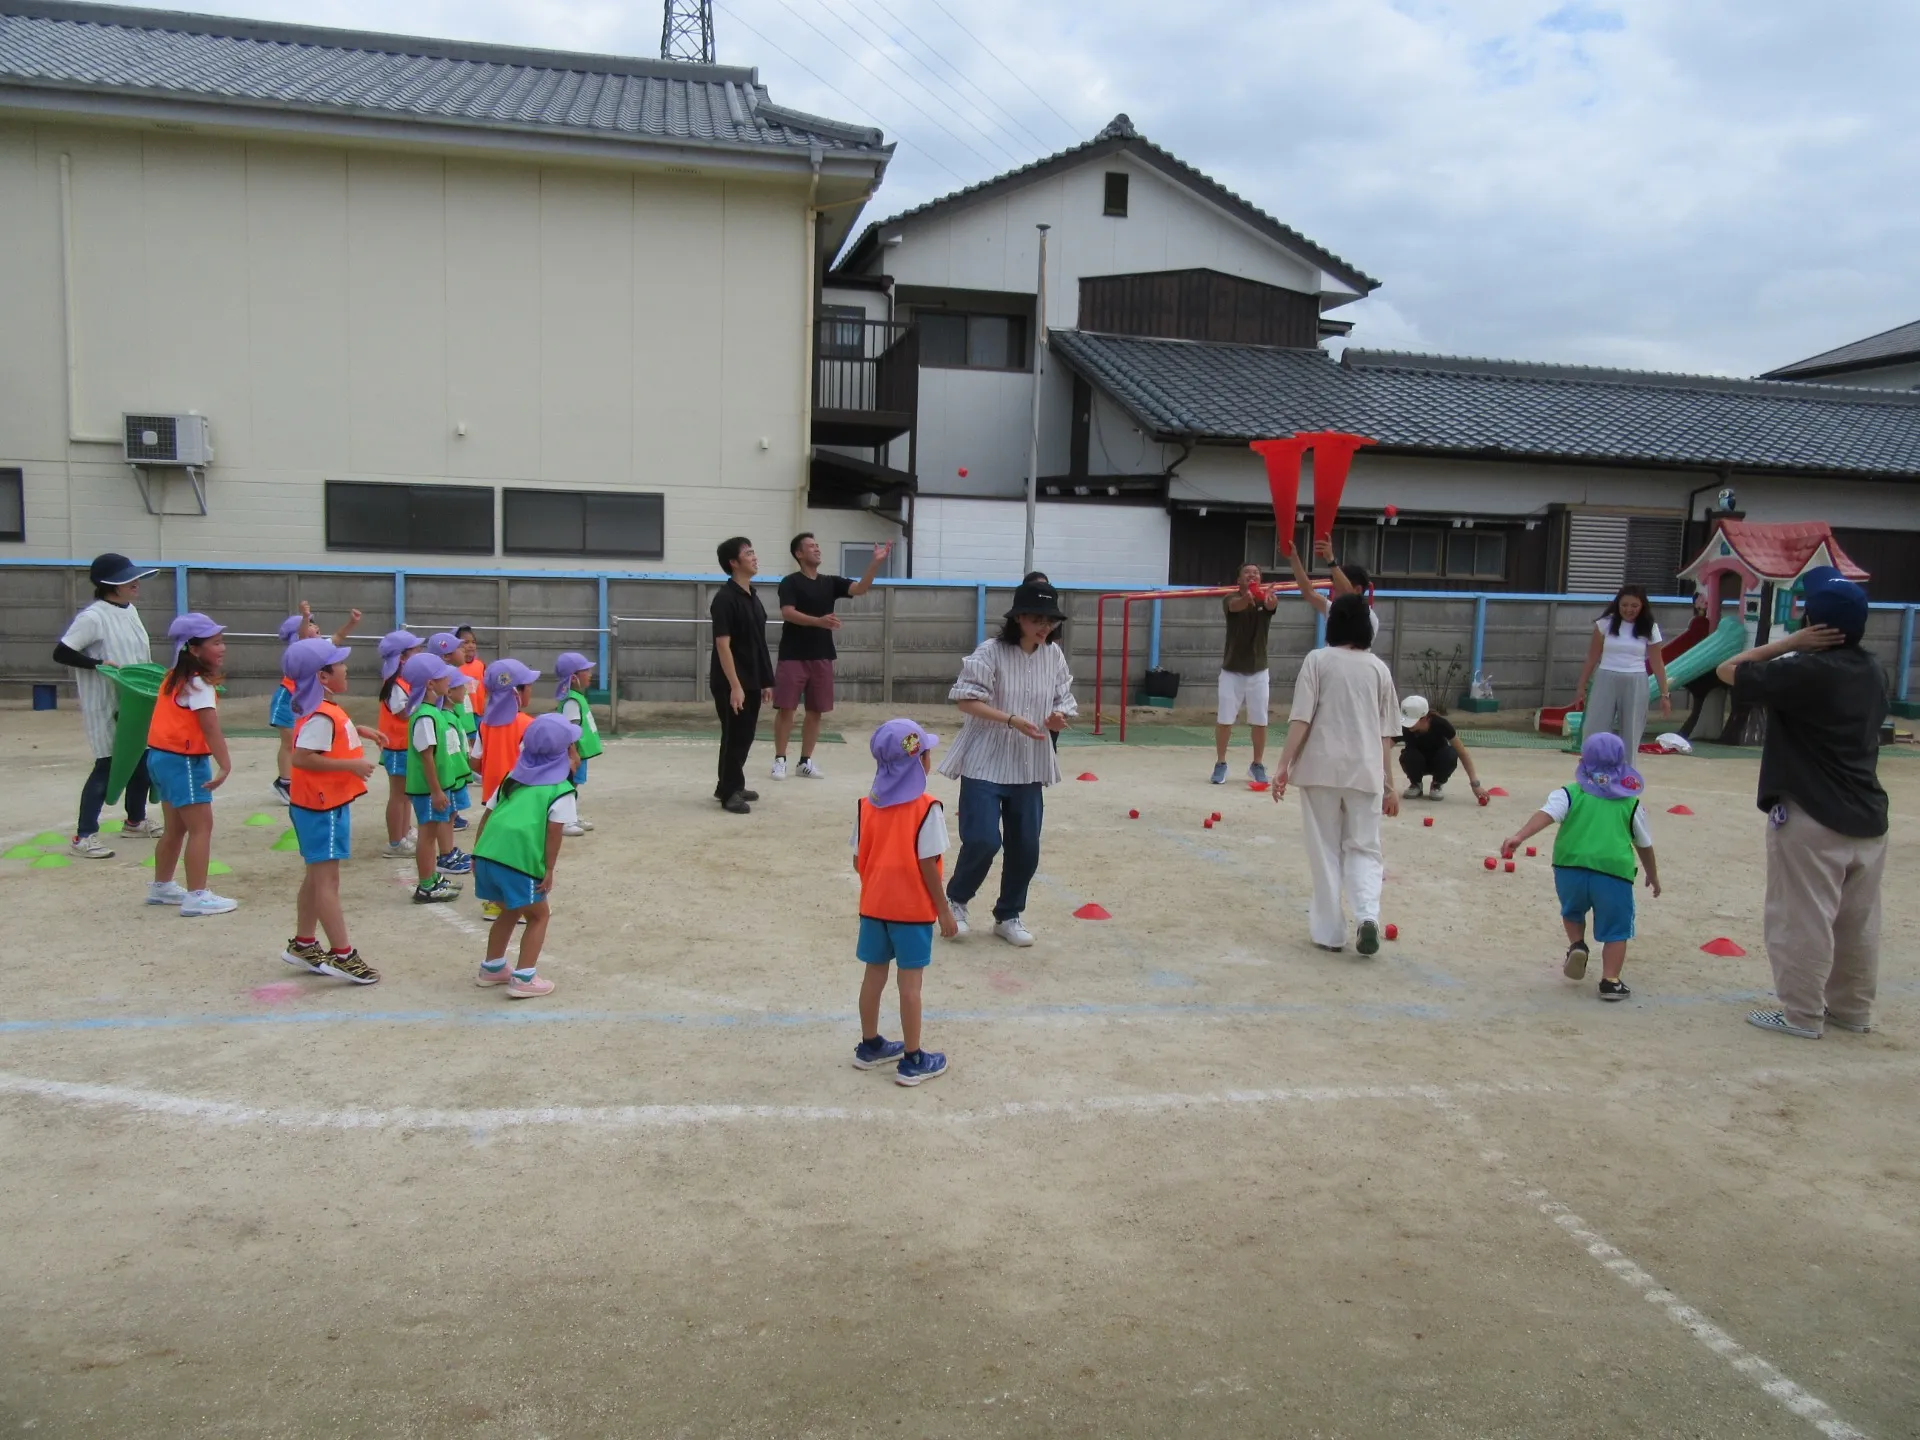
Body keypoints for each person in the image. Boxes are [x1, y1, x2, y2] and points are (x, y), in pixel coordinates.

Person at [1716, 568, 1888, 1039]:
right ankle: (1852, 1013)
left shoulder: (1806, 669)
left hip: (1812, 815)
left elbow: (1728, 669)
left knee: (1801, 918)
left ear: (1815, 622)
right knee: (1857, 925)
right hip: (1868, 817)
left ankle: (1802, 1015)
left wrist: (1788, 643)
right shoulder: (1874, 669)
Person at [939, 577, 1076, 948]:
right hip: (985, 759)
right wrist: (1011, 719)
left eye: (1051, 620)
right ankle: (956, 901)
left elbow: (1064, 698)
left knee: (1026, 846)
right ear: (1018, 618)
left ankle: (1009, 914)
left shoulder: (1053, 655)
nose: (1045, 626)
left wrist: (1057, 717)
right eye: (1037, 618)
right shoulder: (990, 652)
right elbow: (965, 700)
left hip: (1029, 763)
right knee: (983, 839)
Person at [1270, 593, 1400, 954]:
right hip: (1366, 771)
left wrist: (1283, 766)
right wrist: (1390, 785)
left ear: (1333, 624)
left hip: (1318, 768)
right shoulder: (1379, 669)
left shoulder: (1317, 660)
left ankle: (1329, 933)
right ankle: (1368, 916)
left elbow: (1301, 717)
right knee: (1365, 849)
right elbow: (1385, 734)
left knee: (1324, 850)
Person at [1499, 731, 1661, 1002]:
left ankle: (1577, 944)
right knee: (1616, 929)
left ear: (1583, 761)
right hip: (1613, 873)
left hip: (1569, 867)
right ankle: (1610, 981)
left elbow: (1546, 815)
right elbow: (1644, 843)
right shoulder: (1631, 804)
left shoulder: (1570, 793)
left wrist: (1519, 836)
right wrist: (1652, 874)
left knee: (1572, 911)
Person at [852, 718, 958, 1085]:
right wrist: (944, 910)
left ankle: (869, 1045)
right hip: (911, 911)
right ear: (919, 762)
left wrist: (878, 886)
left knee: (873, 976)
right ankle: (913, 1059)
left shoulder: (867, 806)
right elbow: (928, 864)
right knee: (910, 986)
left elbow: (857, 859)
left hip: (874, 906)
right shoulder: (927, 808)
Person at [279, 636, 380, 985]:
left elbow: (325, 736)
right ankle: (342, 954)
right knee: (327, 882)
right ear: (322, 676)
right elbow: (303, 757)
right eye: (339, 663)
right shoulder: (320, 713)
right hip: (322, 805)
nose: (346, 667)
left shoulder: (321, 707)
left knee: (316, 876)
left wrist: (359, 730)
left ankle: (304, 943)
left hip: (317, 803)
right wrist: (350, 767)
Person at [53, 552, 162, 858]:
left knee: (141, 759)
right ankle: (84, 835)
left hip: (135, 701)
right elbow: (62, 652)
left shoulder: (129, 611)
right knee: (108, 764)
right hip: (106, 703)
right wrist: (98, 664)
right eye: (130, 579)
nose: (137, 583)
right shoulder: (94, 616)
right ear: (112, 585)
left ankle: (135, 820)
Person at [471, 712, 582, 999]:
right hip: (518, 863)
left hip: (488, 854)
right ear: (566, 754)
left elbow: (488, 814)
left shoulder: (512, 778)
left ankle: (492, 968)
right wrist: (548, 869)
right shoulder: (561, 790)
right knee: (539, 915)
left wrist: (476, 851)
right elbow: (553, 834)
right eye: (573, 746)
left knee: (511, 908)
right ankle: (524, 978)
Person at [771, 534, 890, 780]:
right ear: (799, 554)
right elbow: (788, 612)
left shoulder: (829, 582)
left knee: (816, 710)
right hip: (793, 655)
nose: (817, 549)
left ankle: (805, 761)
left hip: (822, 655)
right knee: (786, 709)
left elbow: (860, 588)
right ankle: (780, 759)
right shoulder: (790, 582)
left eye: (817, 545)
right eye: (811, 546)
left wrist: (875, 563)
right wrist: (819, 622)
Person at [144, 613, 238, 917]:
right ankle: (197, 894)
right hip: (183, 760)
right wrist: (224, 764)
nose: (222, 648)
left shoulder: (174, 676)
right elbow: (210, 727)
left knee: (175, 828)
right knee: (201, 828)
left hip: (161, 757)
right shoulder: (199, 684)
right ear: (194, 650)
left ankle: (162, 886)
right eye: (215, 643)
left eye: (221, 641)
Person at [270, 602, 361, 802]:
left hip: (303, 700)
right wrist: (304, 617)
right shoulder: (300, 649)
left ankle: (290, 779)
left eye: (313, 622)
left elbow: (338, 637)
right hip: (287, 698)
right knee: (289, 742)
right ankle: (285, 782)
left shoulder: (321, 650)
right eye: (310, 623)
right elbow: (302, 637)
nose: (313, 625)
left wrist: (351, 623)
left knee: (302, 738)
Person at [710, 536, 773, 814]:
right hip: (731, 680)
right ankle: (730, 792)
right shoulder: (724, 599)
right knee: (735, 734)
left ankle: (728, 783)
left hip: (752, 677)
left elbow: (759, 642)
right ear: (733, 563)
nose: (754, 556)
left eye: (753, 551)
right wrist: (735, 685)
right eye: (748, 553)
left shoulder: (753, 597)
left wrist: (766, 680)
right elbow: (722, 644)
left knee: (744, 734)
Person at [400, 651, 465, 904]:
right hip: (428, 789)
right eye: (442, 677)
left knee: (431, 833)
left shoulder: (431, 712)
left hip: (434, 787)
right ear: (430, 684)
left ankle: (432, 879)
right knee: (427, 836)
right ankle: (426, 884)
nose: (448, 681)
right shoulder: (425, 716)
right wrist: (437, 791)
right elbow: (426, 757)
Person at [1573, 584, 1672, 747]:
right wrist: (1581, 686)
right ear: (1618, 604)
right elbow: (1592, 657)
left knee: (1631, 731)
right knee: (1594, 728)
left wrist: (1664, 695)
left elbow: (1657, 663)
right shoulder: (1604, 624)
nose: (1629, 610)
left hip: (1636, 681)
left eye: (1634, 606)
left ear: (1642, 606)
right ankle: (1593, 768)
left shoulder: (1650, 627)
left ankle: (1627, 770)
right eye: (1624, 605)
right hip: (1605, 678)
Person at [1213, 561, 1280, 786]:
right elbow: (1235, 606)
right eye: (1247, 573)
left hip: (1259, 670)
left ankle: (1257, 764)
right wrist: (1247, 599)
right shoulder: (1230, 599)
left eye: (1256, 573)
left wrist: (1269, 602)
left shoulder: (1265, 599)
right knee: (1225, 718)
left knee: (1260, 720)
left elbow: (1271, 607)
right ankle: (1221, 763)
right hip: (1231, 669)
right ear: (1239, 580)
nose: (1252, 576)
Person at [374, 629, 423, 857]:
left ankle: (404, 832)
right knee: (398, 795)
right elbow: (403, 714)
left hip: (405, 745)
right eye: (415, 650)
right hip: (397, 746)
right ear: (402, 657)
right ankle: (395, 842)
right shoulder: (395, 684)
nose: (420, 652)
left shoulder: (404, 680)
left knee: (406, 794)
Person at [1395, 695, 1489, 801]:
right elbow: (1384, 748)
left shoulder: (1440, 724)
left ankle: (1437, 784)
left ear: (1425, 717)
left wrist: (1475, 784)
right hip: (1417, 763)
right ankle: (1416, 783)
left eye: (1412, 721)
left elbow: (1462, 752)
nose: (1408, 725)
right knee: (1408, 755)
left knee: (1450, 753)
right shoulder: (1403, 727)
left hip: (1439, 762)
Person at [1287, 536, 1378, 637]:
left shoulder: (1369, 618)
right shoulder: (1335, 609)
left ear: (1357, 590)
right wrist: (1293, 558)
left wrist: (1330, 560)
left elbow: (1349, 595)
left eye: (1338, 589)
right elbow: (1308, 592)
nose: (1335, 593)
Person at [553, 652, 602, 836]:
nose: (590, 674)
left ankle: (570, 816)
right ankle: (564, 821)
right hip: (574, 754)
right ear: (574, 678)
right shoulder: (572, 700)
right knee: (569, 785)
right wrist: (573, 754)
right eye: (585, 671)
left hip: (580, 754)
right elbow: (568, 732)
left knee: (574, 785)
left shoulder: (576, 697)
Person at [479, 658, 539, 803]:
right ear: (516, 692)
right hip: (520, 794)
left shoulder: (484, 724)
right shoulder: (529, 724)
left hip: (492, 795)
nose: (531, 690)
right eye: (529, 686)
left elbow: (475, 762)